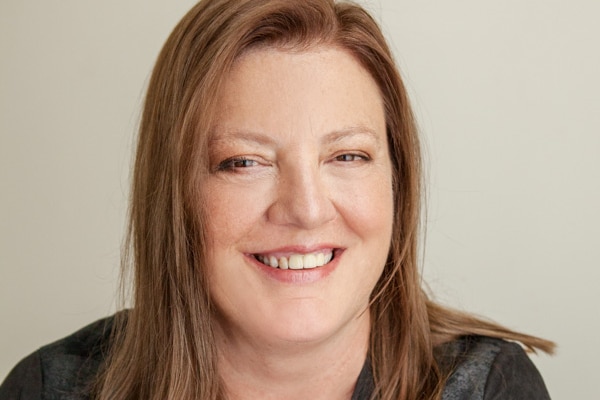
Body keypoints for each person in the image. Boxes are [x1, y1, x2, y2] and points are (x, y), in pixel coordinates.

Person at [0, 0, 554, 399]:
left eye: (347, 156)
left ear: (397, 183)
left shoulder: (489, 387)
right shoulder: (49, 389)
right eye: (245, 162)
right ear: (174, 198)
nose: (307, 209)